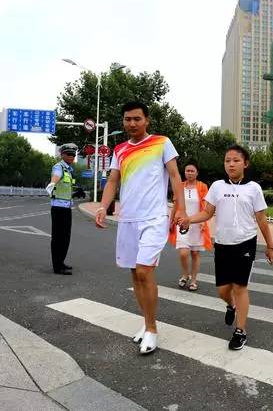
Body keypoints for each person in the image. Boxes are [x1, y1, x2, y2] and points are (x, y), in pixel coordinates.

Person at [95, 101, 186, 355]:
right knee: (135, 274)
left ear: (147, 120)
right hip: (128, 219)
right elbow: (113, 180)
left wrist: (181, 209)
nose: (132, 124)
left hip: (154, 218)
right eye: (127, 119)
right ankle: (146, 324)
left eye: (137, 119)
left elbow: (175, 177)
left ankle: (152, 328)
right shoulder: (120, 149)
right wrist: (103, 206)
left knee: (145, 271)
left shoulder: (162, 142)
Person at [179, 144, 273, 351]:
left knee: (240, 287)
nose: (231, 164)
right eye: (227, 160)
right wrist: (189, 220)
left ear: (245, 163)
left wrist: (270, 245)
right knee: (223, 290)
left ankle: (240, 331)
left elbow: (261, 219)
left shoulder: (254, 188)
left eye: (236, 160)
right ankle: (230, 305)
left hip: (245, 243)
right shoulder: (217, 187)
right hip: (222, 244)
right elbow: (207, 213)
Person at [169, 160, 213, 291]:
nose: (189, 173)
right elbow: (175, 206)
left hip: (197, 224)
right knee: (183, 253)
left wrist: (202, 222)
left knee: (195, 254)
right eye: (187, 170)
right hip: (182, 224)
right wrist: (171, 221)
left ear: (197, 172)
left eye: (192, 171)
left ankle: (193, 280)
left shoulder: (202, 186)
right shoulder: (180, 186)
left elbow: (206, 208)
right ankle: (185, 274)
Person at [45, 143, 78, 275]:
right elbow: (56, 176)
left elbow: (66, 187)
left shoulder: (69, 170)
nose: (71, 157)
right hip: (58, 209)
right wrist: (52, 183)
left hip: (66, 207)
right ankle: (57, 266)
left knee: (65, 237)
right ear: (62, 154)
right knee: (58, 238)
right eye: (69, 154)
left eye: (73, 155)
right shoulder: (58, 167)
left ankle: (61, 262)